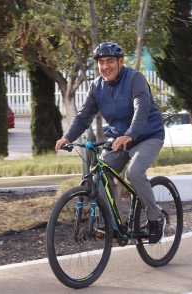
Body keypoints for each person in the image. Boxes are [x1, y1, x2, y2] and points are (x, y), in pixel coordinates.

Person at [55, 42, 166, 245]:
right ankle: (114, 226)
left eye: (110, 61)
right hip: (119, 140)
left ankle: (155, 217)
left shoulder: (135, 79)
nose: (105, 66)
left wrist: (130, 135)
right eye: (100, 62)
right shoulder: (97, 86)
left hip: (148, 136)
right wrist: (68, 137)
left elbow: (142, 108)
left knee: (134, 173)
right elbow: (83, 116)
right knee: (100, 174)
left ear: (120, 62)